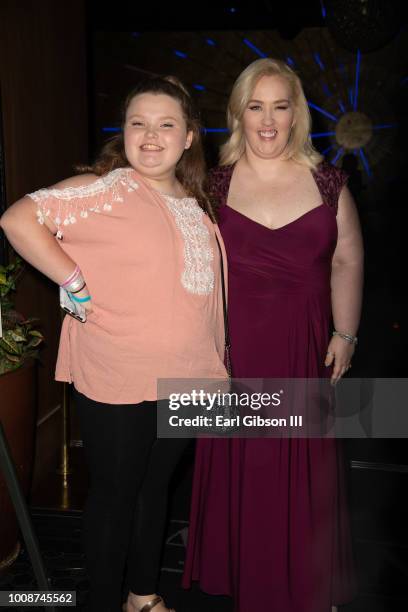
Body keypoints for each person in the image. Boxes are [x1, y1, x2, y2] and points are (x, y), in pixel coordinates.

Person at [0, 76, 227, 612]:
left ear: (190, 136)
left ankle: (142, 595)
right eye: (138, 124)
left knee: (156, 490)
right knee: (117, 496)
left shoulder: (197, 201)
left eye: (166, 124)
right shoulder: (108, 187)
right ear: (122, 132)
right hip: (119, 372)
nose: (151, 136)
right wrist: (72, 280)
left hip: (187, 373)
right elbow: (18, 218)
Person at [182, 58, 363, 612]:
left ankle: (308, 584)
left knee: (303, 470)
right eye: (255, 106)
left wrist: (346, 334)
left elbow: (347, 261)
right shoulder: (212, 185)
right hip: (235, 354)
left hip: (304, 350)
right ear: (238, 113)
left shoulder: (328, 183)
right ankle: (247, 576)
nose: (267, 120)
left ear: (296, 115)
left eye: (279, 106)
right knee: (248, 471)